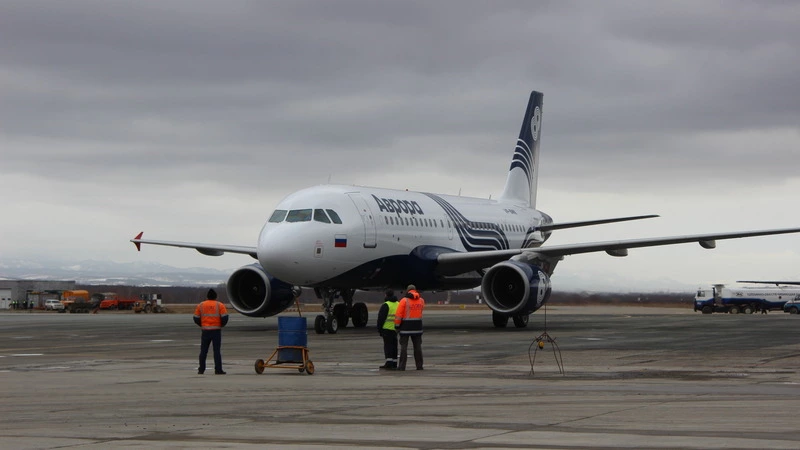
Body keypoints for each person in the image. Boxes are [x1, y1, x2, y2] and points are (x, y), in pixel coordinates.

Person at [193, 289, 229, 374]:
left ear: (207, 296)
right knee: (216, 351)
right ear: (216, 296)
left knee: (203, 351)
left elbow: (196, 318)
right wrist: (221, 325)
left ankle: (201, 369)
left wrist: (202, 325)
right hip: (216, 331)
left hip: (205, 331)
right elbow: (225, 318)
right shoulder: (220, 305)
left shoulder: (201, 305)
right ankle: (218, 369)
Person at [394, 284, 425, 371]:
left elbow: (399, 315)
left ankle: (402, 366)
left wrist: (397, 326)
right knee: (418, 347)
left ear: (407, 291)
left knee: (404, 347)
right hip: (417, 327)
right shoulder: (421, 300)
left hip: (405, 327)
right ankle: (419, 366)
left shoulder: (404, 301)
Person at [376, 289, 399, 370]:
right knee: (394, 346)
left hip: (386, 328)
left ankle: (389, 363)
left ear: (386, 295)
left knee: (388, 346)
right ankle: (394, 362)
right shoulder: (398, 304)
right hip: (395, 329)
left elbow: (381, 318)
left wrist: (379, 329)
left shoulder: (386, 305)